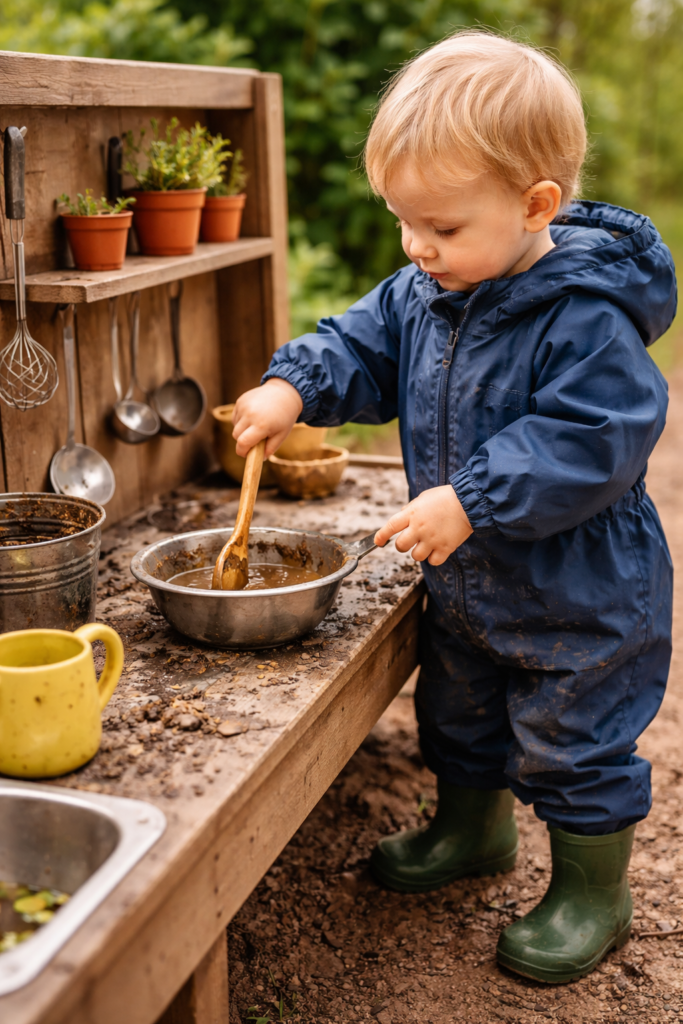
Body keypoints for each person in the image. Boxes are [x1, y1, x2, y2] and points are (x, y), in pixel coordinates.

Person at [231, 31, 677, 983]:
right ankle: (473, 832)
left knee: (573, 740)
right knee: (460, 713)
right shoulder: (422, 290)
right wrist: (292, 388)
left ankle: (593, 892)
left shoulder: (587, 317)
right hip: (471, 582)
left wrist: (471, 498)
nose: (416, 247)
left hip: (582, 591)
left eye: (439, 227)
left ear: (535, 205)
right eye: (402, 222)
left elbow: (593, 437)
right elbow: (357, 344)